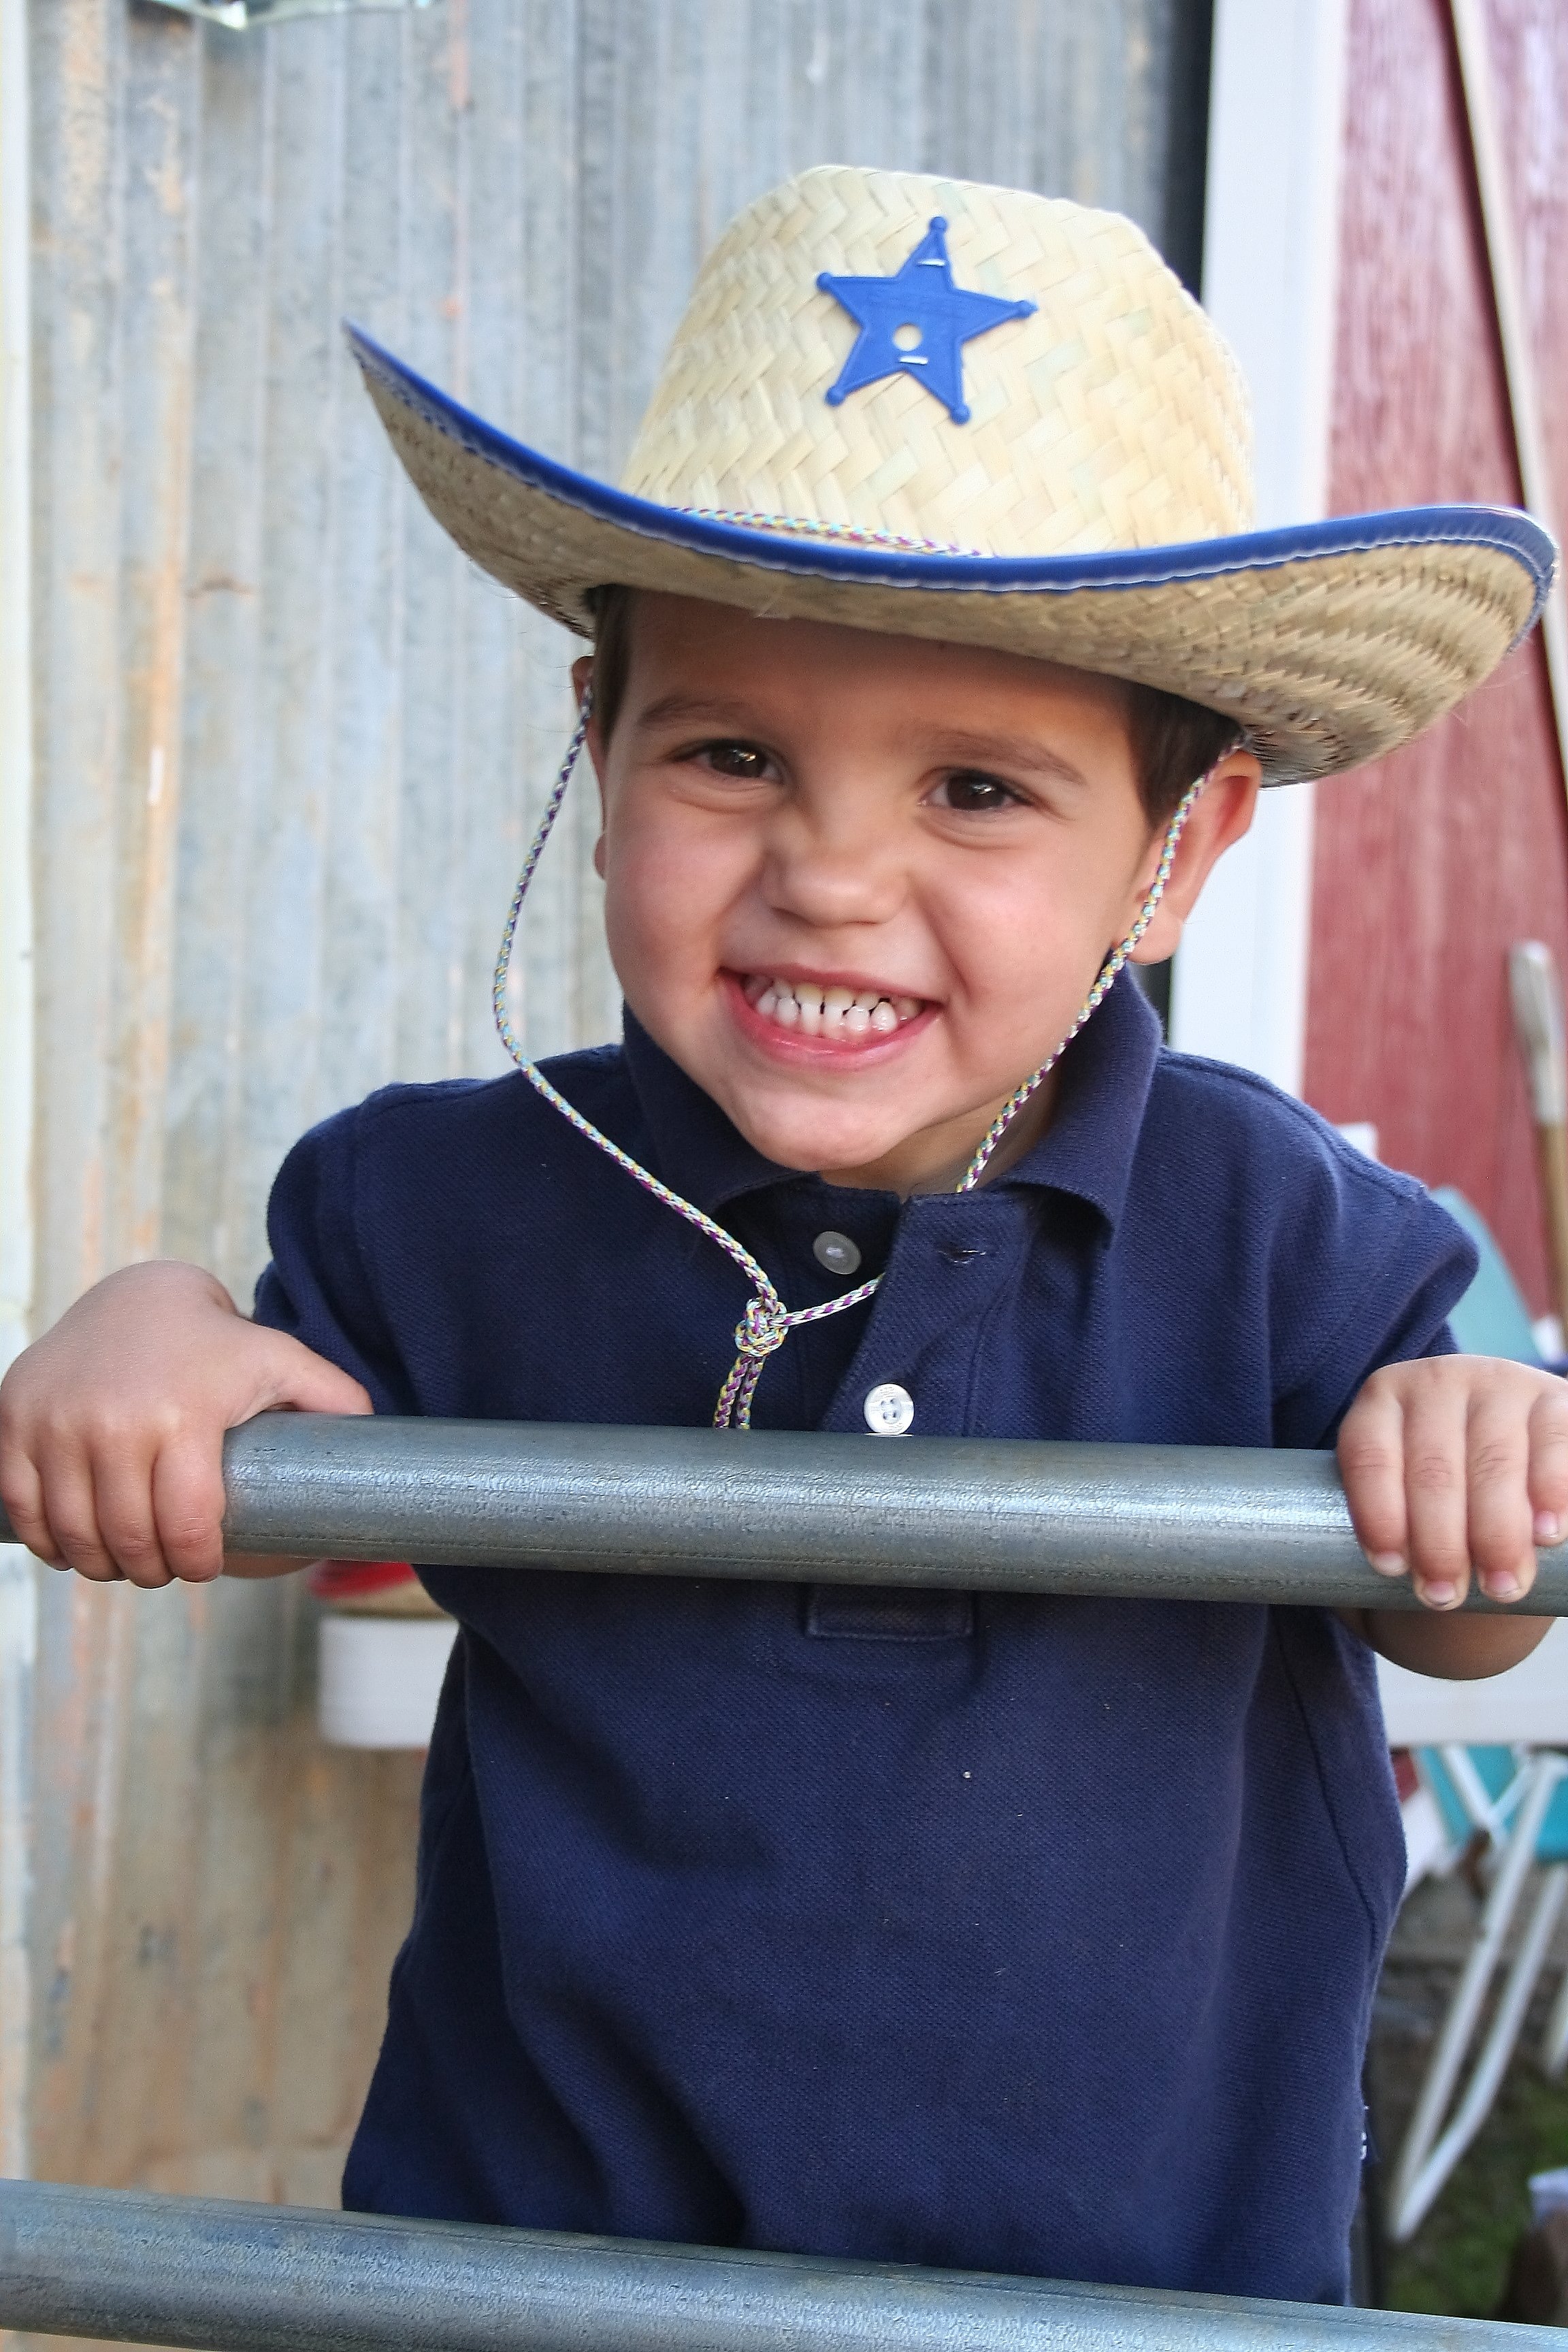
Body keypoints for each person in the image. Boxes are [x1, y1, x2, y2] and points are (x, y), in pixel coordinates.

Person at [2, 165, 1565, 2302]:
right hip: (543, 2297)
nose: (829, 879)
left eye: (977, 793)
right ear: (600, 745)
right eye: (733, 755)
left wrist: (1473, 1449)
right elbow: (256, 1470)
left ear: (1178, 854)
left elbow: (1471, 1618)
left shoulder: (1284, 1236)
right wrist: (148, 1328)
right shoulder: (450, 1195)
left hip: (1118, 2314)